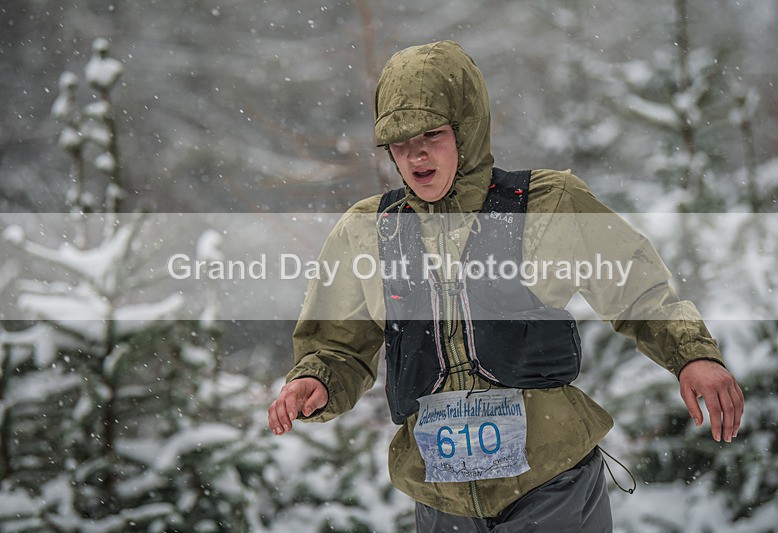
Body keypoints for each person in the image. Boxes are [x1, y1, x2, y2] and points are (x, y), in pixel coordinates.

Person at [267, 40, 744, 532]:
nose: (416, 155)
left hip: (550, 482)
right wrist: (316, 380)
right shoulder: (368, 231)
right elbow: (337, 347)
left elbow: (640, 293)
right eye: (400, 142)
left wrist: (693, 354)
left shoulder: (548, 205)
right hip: (442, 500)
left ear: (467, 130)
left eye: (433, 133)